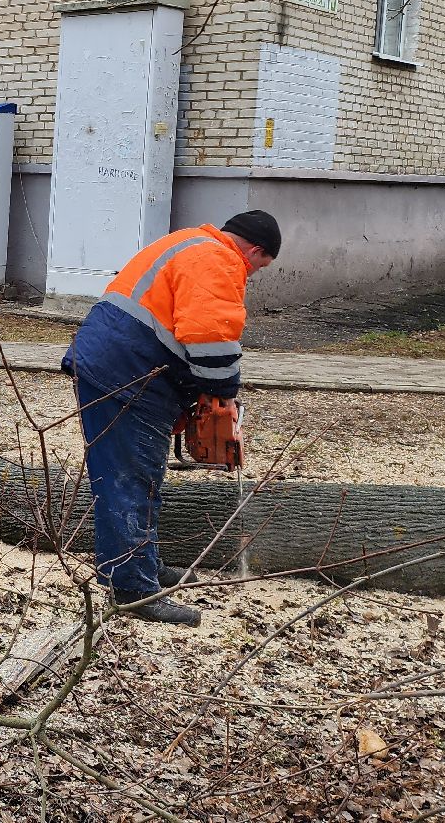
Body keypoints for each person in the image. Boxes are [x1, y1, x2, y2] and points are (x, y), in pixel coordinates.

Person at [60, 210, 282, 627]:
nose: (252, 273)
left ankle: (141, 565)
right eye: (260, 266)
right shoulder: (218, 260)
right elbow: (212, 338)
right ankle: (132, 589)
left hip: (118, 365)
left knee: (139, 476)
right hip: (126, 374)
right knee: (129, 479)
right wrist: (224, 397)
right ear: (254, 250)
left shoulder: (190, 243)